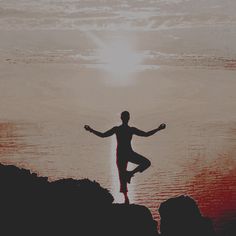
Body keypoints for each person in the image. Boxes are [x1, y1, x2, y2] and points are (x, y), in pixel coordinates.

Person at [84, 111, 166, 204]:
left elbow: (103, 135)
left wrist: (91, 129)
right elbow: (146, 134)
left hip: (124, 154)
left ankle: (130, 175)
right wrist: (158, 129)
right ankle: (126, 196)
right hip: (126, 154)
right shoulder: (127, 129)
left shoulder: (122, 129)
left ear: (122, 118)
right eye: (126, 117)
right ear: (127, 118)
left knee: (143, 164)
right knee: (127, 172)